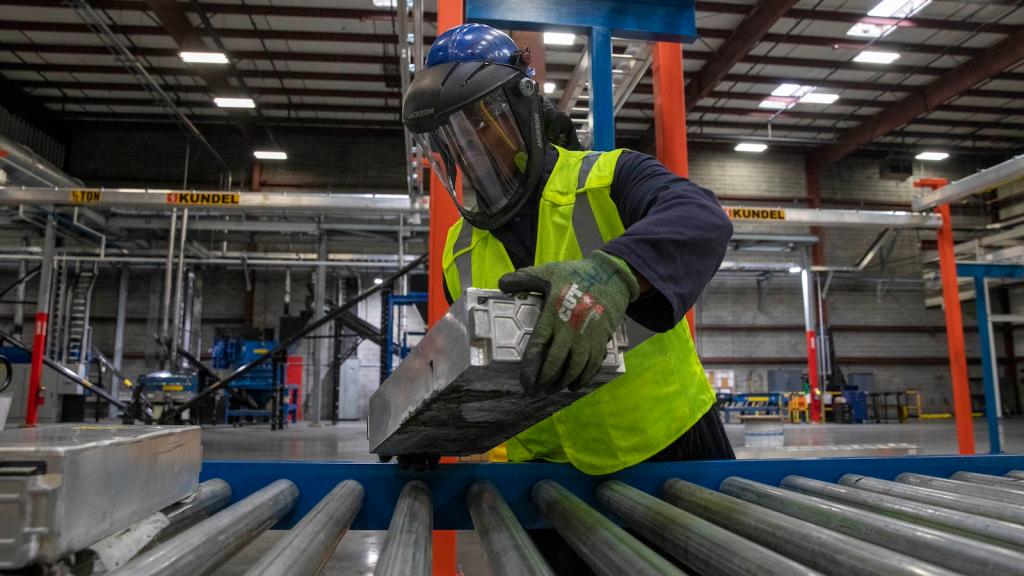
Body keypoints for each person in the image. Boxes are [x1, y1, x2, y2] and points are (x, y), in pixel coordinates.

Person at [403, 23, 735, 477]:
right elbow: (469, 364)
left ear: (523, 105)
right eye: (451, 134)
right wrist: (433, 425)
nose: (470, 143)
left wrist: (614, 276)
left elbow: (701, 217)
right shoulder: (457, 250)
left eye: (482, 119)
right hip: (542, 477)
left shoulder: (610, 176)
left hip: (668, 448)